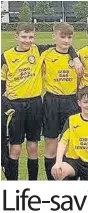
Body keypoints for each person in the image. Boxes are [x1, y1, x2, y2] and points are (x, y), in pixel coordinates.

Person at [1, 23, 81, 180]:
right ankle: (12, 187)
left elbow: (64, 45)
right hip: (15, 105)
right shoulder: (6, 56)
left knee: (33, 147)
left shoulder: (39, 50)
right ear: (16, 37)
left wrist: (75, 57)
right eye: (24, 37)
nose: (28, 40)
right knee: (15, 148)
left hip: (36, 103)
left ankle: (35, 183)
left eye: (31, 37)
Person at [41, 23, 85, 181]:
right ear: (54, 37)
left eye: (69, 37)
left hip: (71, 101)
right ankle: (51, 183)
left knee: (71, 145)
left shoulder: (77, 57)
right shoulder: (45, 53)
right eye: (63, 36)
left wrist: (75, 57)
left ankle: (68, 182)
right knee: (51, 145)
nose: (66, 40)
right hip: (51, 101)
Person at [51, 86, 88, 181]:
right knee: (57, 171)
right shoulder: (72, 120)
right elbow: (63, 142)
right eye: (85, 102)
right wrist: (58, 162)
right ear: (79, 103)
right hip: (73, 162)